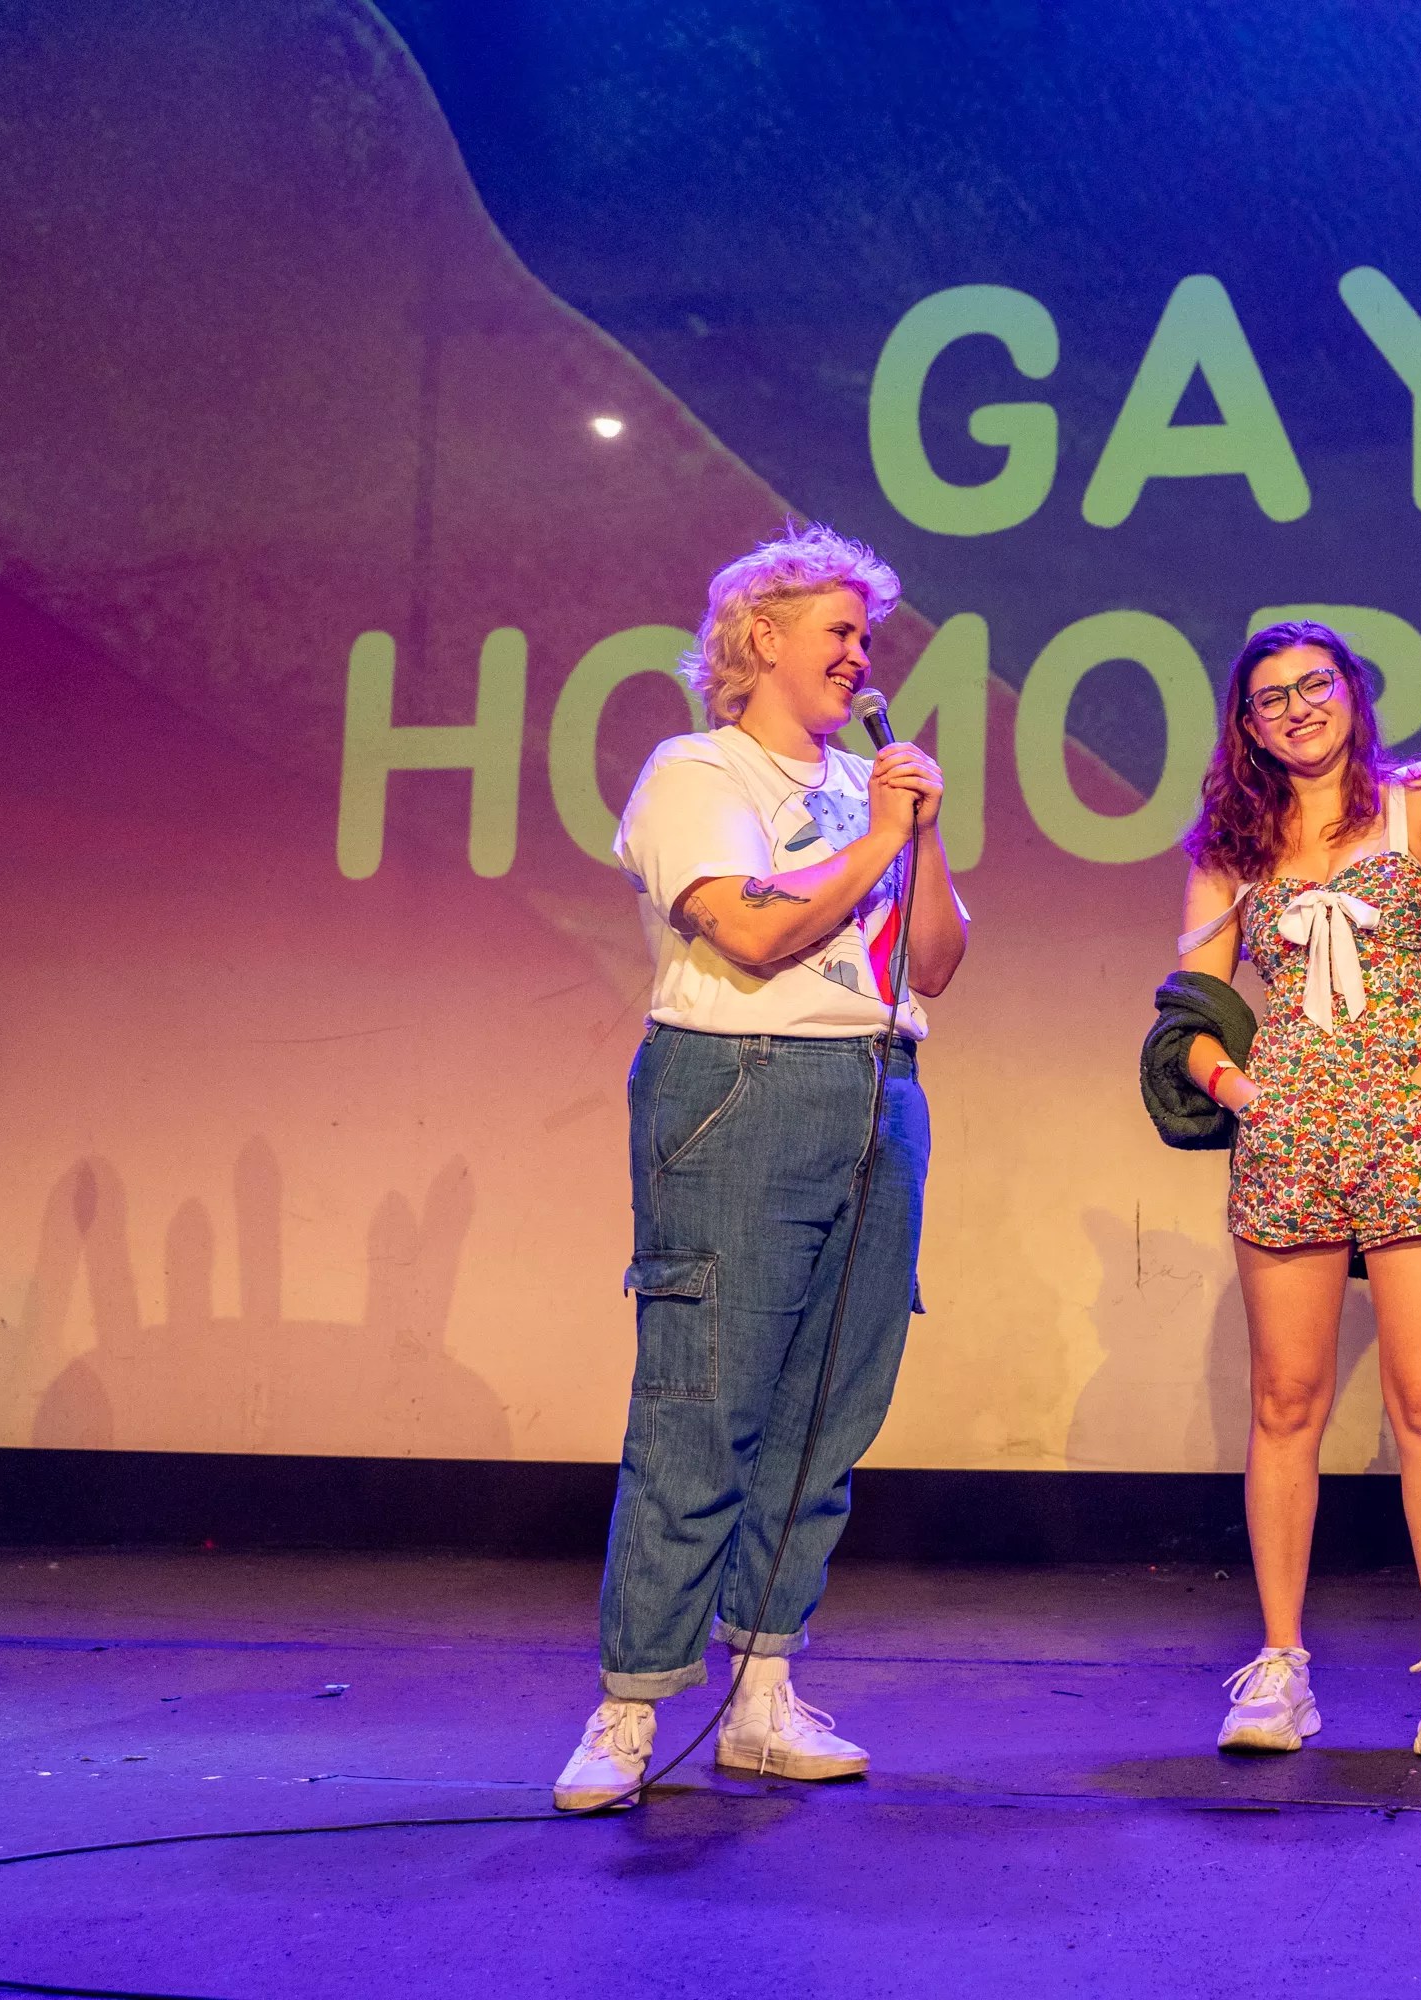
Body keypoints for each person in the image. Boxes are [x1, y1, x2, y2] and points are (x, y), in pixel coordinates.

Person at [553, 525, 969, 1811]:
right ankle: (631, 1702)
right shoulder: (697, 769)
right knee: (703, 1401)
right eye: (838, 631)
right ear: (761, 636)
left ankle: (759, 1687)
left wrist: (921, 832)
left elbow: (939, 960)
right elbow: (751, 932)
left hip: (877, 1086)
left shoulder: (873, 787)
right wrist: (874, 838)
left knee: (826, 1414)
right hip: (739, 1081)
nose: (861, 654)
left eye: (866, 634)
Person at [1141, 621, 1421, 1759]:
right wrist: (1238, 1084)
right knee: (1285, 1402)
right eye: (1270, 698)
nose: (1296, 708)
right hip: (1289, 1136)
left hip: (1410, 1126)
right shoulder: (1231, 837)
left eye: (1315, 685)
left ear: (1353, 693)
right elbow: (1190, 999)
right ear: (1247, 723)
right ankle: (1279, 1666)